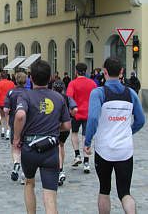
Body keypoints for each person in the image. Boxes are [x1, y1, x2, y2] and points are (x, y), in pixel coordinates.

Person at [84, 57, 145, 214]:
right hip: (124, 149)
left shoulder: (98, 93)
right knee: (125, 192)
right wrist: (128, 131)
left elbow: (92, 119)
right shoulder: (130, 93)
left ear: (104, 72)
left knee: (104, 189)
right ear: (121, 72)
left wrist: (88, 141)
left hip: (104, 148)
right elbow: (140, 120)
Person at [13, 60, 71, 214]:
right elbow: (67, 126)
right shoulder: (58, 98)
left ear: (31, 78)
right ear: (50, 78)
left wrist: (16, 138)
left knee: (29, 184)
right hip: (51, 150)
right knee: (50, 194)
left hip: (29, 149)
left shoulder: (26, 95)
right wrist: (53, 126)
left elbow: (19, 116)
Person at [66, 62, 97, 173]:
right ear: (86, 71)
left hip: (76, 113)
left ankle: (77, 155)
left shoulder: (73, 83)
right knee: (85, 136)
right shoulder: (92, 83)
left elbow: (69, 97)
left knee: (74, 133)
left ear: (76, 71)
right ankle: (86, 162)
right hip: (88, 113)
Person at [52, 80, 78, 186]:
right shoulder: (67, 98)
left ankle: (59, 169)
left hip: (55, 125)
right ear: (63, 89)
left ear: (53, 89)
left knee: (56, 147)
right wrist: (70, 116)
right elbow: (75, 109)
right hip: (66, 126)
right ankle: (60, 166)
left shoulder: (52, 98)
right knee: (61, 145)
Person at [4, 72, 27, 184]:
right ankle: (24, 174)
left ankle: (16, 163)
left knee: (15, 146)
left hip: (14, 123)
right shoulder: (29, 93)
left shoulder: (11, 92)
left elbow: (5, 109)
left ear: (16, 80)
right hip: (27, 124)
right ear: (26, 81)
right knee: (26, 148)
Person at [0, 72, 15, 139]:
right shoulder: (11, 83)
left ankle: (2, 131)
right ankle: (8, 133)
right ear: (7, 77)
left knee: (2, 116)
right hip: (9, 102)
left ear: (1, 77)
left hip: (0, 102)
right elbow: (14, 91)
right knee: (8, 118)